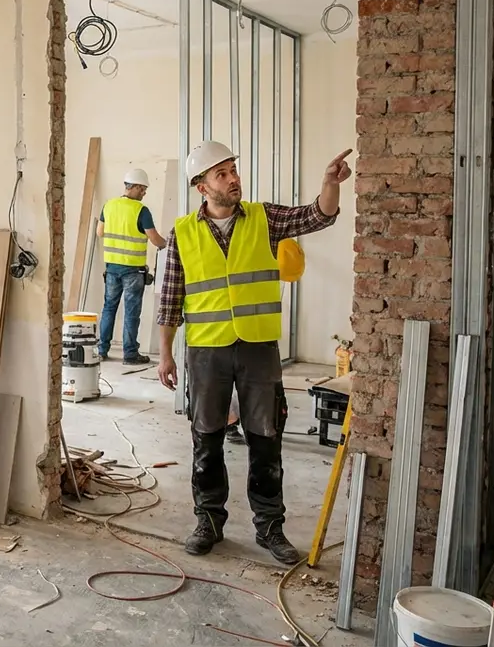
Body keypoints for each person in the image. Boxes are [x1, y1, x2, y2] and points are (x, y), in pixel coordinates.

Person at [155, 141, 351, 564]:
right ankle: (208, 519)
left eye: (233, 170)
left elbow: (317, 215)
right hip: (207, 351)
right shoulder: (183, 232)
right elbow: (170, 297)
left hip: (259, 348)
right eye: (222, 174)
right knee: (206, 437)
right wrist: (165, 353)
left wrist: (329, 185)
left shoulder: (264, 218)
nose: (233, 178)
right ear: (202, 186)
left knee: (265, 437)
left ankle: (270, 527)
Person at [224, 238, 305, 446]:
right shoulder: (246, 246)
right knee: (234, 382)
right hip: (229, 330)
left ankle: (260, 424)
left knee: (261, 386)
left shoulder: (278, 245)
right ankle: (231, 422)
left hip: (258, 333)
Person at [96, 168, 166, 365]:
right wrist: (168, 245)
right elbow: (155, 239)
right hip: (133, 271)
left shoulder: (109, 205)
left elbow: (100, 232)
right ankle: (130, 354)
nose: (144, 193)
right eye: (142, 189)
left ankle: (102, 350)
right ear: (133, 187)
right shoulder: (141, 211)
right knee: (131, 312)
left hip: (111, 269)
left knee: (109, 308)